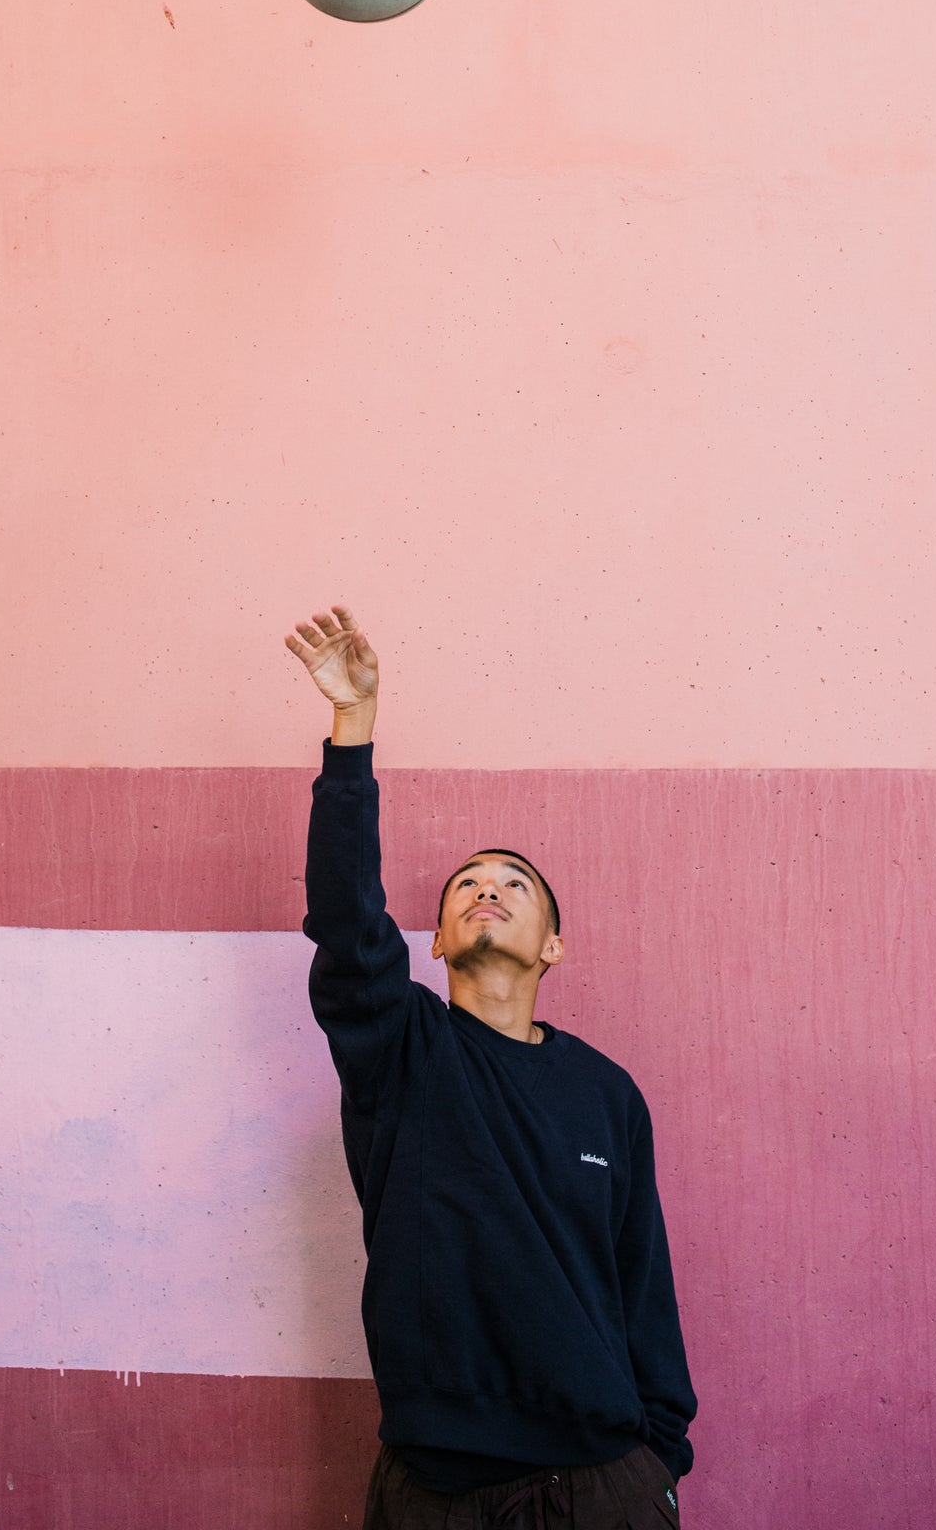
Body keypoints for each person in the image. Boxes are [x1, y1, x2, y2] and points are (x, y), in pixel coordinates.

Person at [286, 603, 697, 1528]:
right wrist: (353, 735)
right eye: (466, 883)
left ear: (552, 945)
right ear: (432, 941)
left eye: (515, 884)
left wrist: (658, 1457)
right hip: (439, 1488)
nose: (487, 889)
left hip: (603, 1480)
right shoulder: (405, 1051)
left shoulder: (606, 1093)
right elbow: (347, 931)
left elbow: (641, 1280)